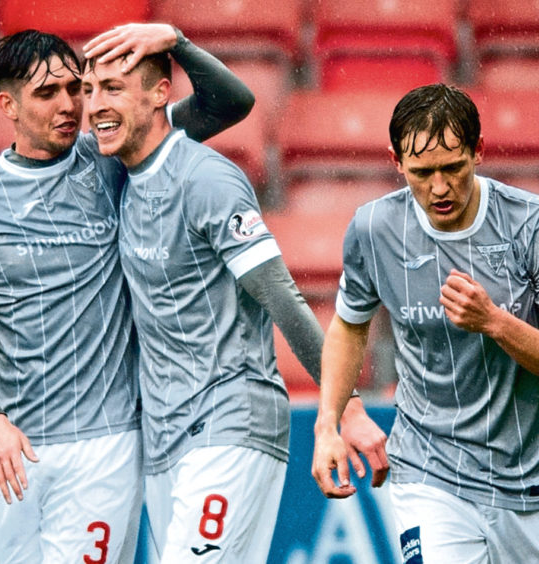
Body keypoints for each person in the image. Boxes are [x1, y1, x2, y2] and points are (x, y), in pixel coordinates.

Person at [0, 23, 259, 563]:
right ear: (7, 105)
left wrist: (174, 42)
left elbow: (230, 103)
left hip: (106, 443)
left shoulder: (109, 159)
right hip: (15, 446)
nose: (69, 106)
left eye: (75, 88)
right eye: (45, 94)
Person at [80, 50, 388, 561]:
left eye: (112, 87)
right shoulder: (122, 177)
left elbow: (281, 296)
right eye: (90, 90)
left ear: (160, 94)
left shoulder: (206, 179)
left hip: (229, 418)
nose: (95, 106)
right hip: (164, 439)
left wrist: (344, 408)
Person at [311, 83, 539, 563]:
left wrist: (496, 323)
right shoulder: (374, 229)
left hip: (530, 483)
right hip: (428, 472)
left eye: (452, 168)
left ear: (479, 151)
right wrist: (330, 421)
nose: (438, 187)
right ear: (396, 162)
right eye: (421, 172)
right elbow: (350, 326)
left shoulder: (537, 227)